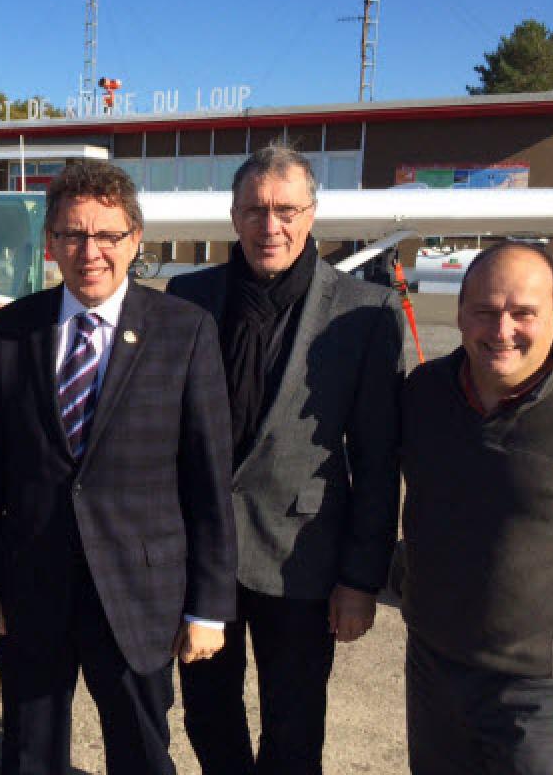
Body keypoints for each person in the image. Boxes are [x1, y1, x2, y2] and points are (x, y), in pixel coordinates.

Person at [0, 160, 237, 775]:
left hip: (138, 595)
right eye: (72, 235)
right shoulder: (10, 332)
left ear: (135, 240)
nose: (90, 252)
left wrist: (208, 607)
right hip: (31, 591)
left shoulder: (183, 333)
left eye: (107, 235)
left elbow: (209, 482)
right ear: (50, 242)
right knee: (29, 752)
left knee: (140, 751)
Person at [167, 143, 404, 774]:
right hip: (202, 556)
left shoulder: (365, 312)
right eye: (255, 210)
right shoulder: (186, 296)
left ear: (311, 213)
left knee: (295, 726)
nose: (270, 226)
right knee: (206, 713)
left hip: (303, 562)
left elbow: (377, 461)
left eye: (286, 209)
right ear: (235, 215)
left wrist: (360, 580)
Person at [401, 241, 553, 774]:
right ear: (460, 315)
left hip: (543, 695)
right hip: (433, 669)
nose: (502, 331)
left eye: (523, 313)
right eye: (485, 311)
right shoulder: (425, 393)